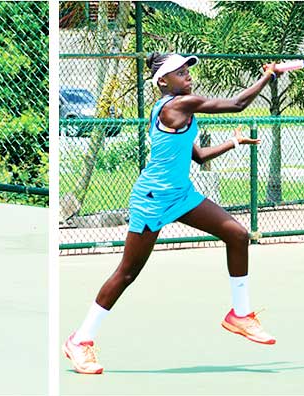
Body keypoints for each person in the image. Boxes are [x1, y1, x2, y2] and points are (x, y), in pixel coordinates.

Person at [64, 52, 281, 374]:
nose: (187, 75)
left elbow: (198, 157)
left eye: (187, 70)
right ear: (162, 81)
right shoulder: (176, 105)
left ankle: (240, 315)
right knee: (127, 273)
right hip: (153, 198)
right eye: (179, 73)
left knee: (237, 235)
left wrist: (232, 144)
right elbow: (237, 104)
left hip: (182, 195)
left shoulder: (183, 111)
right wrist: (268, 75)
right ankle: (80, 341)